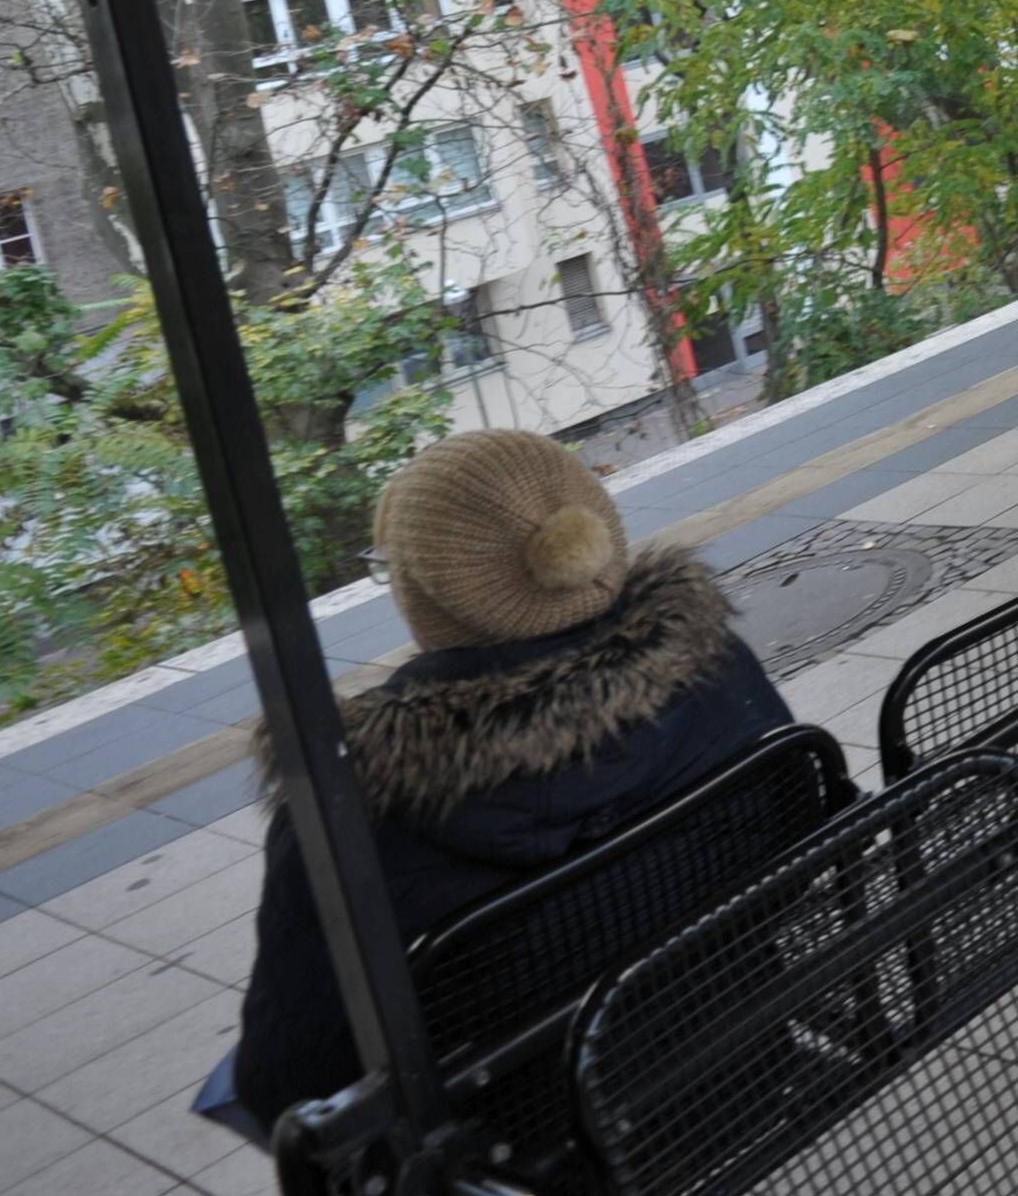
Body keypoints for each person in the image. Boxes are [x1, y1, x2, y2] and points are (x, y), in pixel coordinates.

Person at [223, 432, 790, 1132]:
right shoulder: (716, 665)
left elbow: (286, 1080)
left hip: (540, 1147)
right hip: (745, 1052)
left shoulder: (352, 809)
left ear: (427, 596)